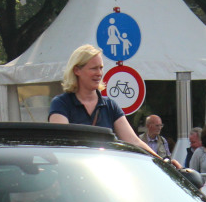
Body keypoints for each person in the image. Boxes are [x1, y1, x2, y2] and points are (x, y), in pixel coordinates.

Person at [48, 45, 177, 163]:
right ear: (77, 70)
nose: (99, 73)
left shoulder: (110, 106)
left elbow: (133, 141)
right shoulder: (61, 104)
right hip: (73, 177)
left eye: (101, 68)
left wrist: (164, 164)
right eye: (93, 68)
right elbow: (62, 145)